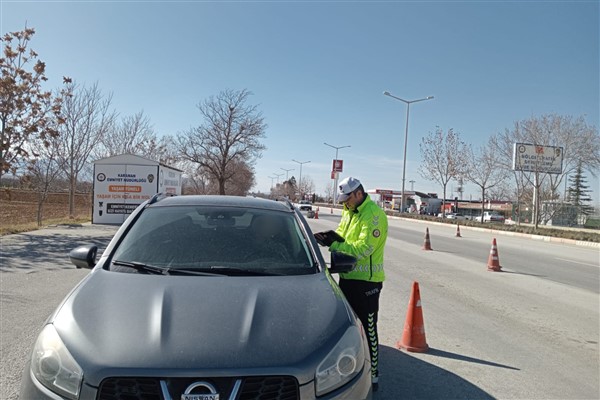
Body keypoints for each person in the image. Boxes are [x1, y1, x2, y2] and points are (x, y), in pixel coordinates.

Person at [316, 176, 388, 392]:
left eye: (347, 198)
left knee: (368, 329)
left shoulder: (373, 215)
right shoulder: (350, 212)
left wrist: (335, 243)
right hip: (346, 277)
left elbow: (363, 249)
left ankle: (374, 375)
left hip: (367, 283)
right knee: (347, 328)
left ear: (359, 193)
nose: (344, 203)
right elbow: (345, 238)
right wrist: (330, 237)